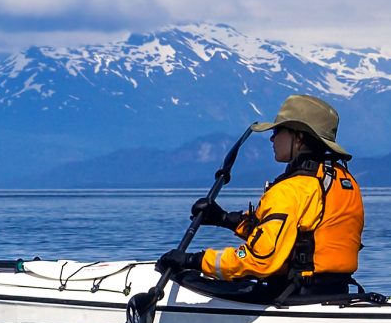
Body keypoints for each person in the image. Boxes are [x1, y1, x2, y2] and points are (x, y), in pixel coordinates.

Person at [156, 94, 365, 304]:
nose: (272, 138)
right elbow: (291, 238)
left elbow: (260, 260)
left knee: (191, 279)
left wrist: (194, 260)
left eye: (277, 131)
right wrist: (224, 218)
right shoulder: (342, 180)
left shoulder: (290, 189)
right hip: (337, 291)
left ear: (299, 137)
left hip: (294, 297)